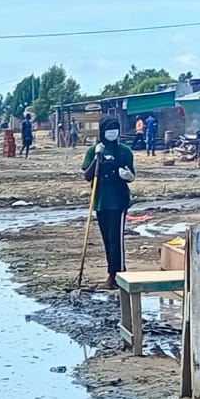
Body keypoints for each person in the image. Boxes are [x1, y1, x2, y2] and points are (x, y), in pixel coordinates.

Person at [81, 116, 134, 289]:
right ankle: (113, 272)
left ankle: (116, 274)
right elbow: (87, 176)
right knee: (107, 239)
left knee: (115, 239)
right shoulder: (94, 150)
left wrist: (127, 176)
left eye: (115, 128)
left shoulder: (124, 151)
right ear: (102, 131)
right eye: (109, 129)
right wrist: (97, 157)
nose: (112, 132)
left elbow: (131, 175)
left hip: (118, 201)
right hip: (100, 200)